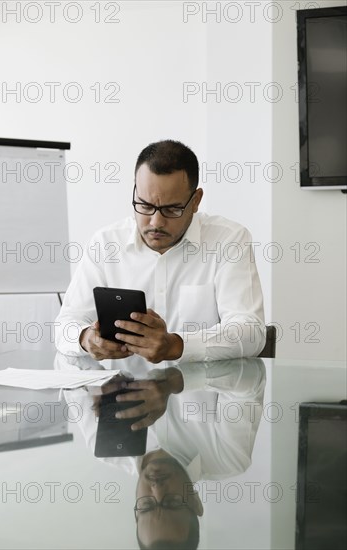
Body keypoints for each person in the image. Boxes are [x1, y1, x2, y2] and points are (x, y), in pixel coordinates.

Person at [55, 140, 265, 375]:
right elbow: (65, 324)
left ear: (195, 201)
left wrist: (175, 345)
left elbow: (251, 332)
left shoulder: (228, 241)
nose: (155, 222)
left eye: (171, 209)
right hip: (121, 401)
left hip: (200, 402)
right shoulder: (105, 244)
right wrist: (86, 338)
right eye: (144, 205)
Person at [54, 352, 266, 550]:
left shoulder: (105, 448)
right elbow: (253, 377)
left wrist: (93, 381)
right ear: (196, 503)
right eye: (172, 502)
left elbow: (65, 357)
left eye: (146, 506)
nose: (156, 488)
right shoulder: (229, 456)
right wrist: (176, 382)